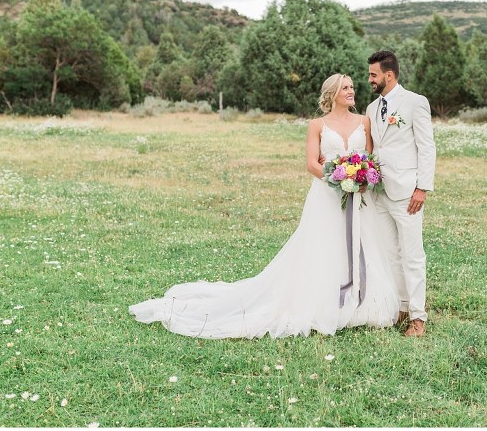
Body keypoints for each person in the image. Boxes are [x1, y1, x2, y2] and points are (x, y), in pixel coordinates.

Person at [129, 74, 400, 339]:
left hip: (358, 197)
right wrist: (338, 178)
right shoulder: (317, 124)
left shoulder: (364, 121)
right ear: (332, 95)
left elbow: (370, 158)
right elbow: (311, 163)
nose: (351, 91)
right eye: (345, 88)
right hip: (327, 196)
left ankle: (362, 304)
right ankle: (323, 301)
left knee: (360, 242)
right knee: (324, 244)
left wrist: (362, 178)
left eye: (352, 87)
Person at [365, 50, 436, 337]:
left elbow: (427, 146)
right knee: (390, 254)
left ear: (389, 75)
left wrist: (422, 187)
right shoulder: (372, 108)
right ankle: (400, 307)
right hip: (379, 192)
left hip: (407, 192)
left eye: (373, 75)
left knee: (412, 255)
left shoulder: (415, 102)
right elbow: (373, 149)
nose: (369, 79)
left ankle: (418, 317)